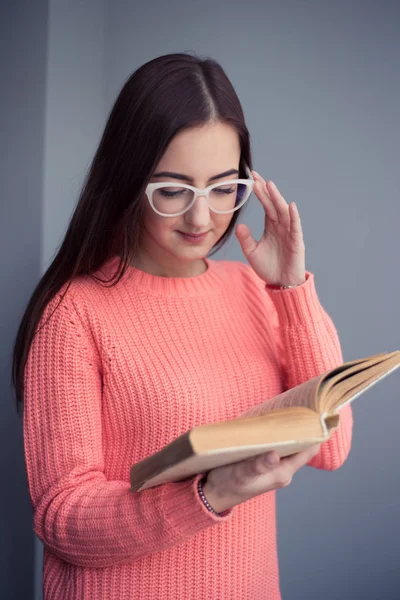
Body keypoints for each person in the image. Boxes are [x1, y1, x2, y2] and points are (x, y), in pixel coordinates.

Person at [12, 52, 353, 600]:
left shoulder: (249, 289)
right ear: (128, 180)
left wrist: (292, 289)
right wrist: (210, 494)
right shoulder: (73, 314)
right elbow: (62, 517)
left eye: (223, 188)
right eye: (173, 190)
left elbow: (332, 448)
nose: (202, 219)